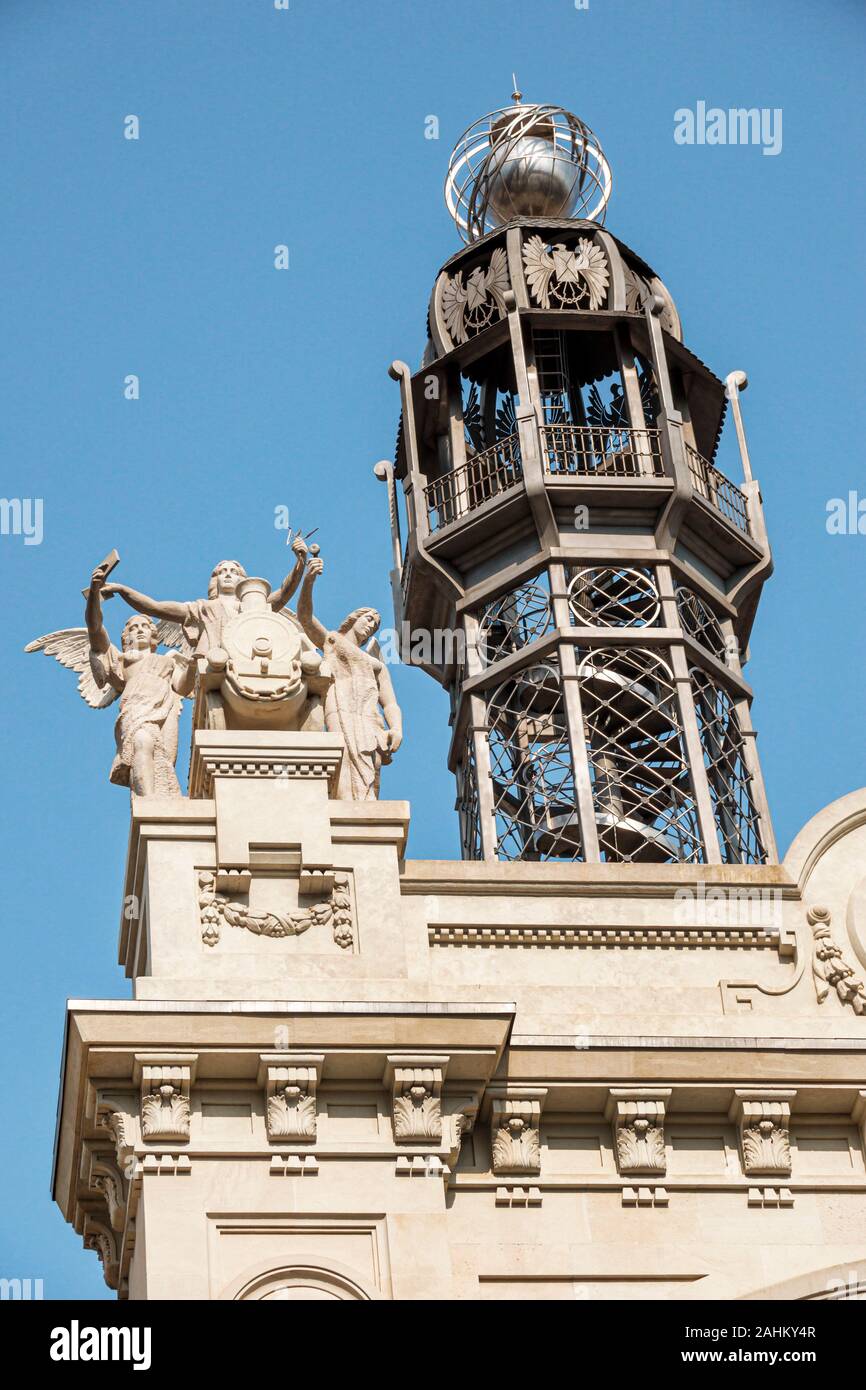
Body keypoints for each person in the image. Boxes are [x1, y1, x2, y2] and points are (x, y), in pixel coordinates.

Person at [296, 549, 402, 800]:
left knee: (372, 763)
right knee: (342, 754)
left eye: (376, 624)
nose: (371, 624)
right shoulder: (332, 641)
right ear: (354, 619)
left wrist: (396, 728)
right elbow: (305, 617)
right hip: (340, 704)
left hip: (369, 716)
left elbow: (390, 703)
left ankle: (366, 808)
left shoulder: (376, 663)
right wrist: (308, 580)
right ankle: (348, 807)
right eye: (368, 618)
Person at [103, 537, 310, 659]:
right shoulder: (202, 608)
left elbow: (283, 593)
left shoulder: (253, 606)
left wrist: (300, 562)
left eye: (234, 572)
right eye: (223, 572)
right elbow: (154, 607)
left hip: (249, 659)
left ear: (242, 579)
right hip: (213, 662)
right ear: (216, 580)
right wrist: (123, 589)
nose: (228, 574)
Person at [86, 566, 194, 796]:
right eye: (133, 628)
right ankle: (148, 801)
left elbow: (183, 687)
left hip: (167, 710)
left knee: (163, 757)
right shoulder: (121, 659)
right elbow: (95, 629)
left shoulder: (169, 660)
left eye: (145, 626)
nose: (140, 630)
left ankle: (162, 802)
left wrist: (195, 664)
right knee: (142, 742)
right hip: (135, 709)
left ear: (154, 636)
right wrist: (95, 594)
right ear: (125, 638)